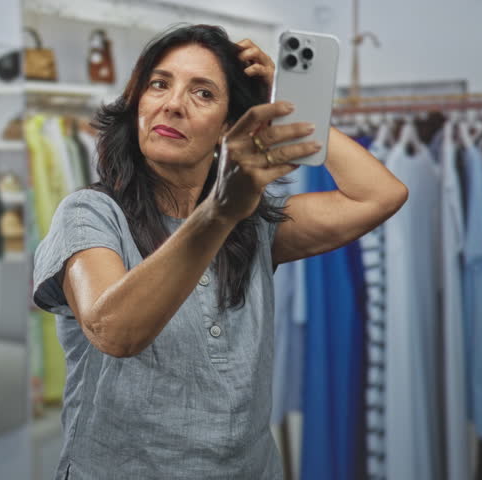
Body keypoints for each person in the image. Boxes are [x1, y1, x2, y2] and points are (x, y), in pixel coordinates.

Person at [32, 24, 408, 479]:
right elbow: (115, 332)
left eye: (203, 93)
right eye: (159, 84)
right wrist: (218, 213)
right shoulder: (90, 213)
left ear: (229, 127)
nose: (173, 104)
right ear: (137, 104)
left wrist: (290, 103)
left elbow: (380, 195)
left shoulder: (252, 225)